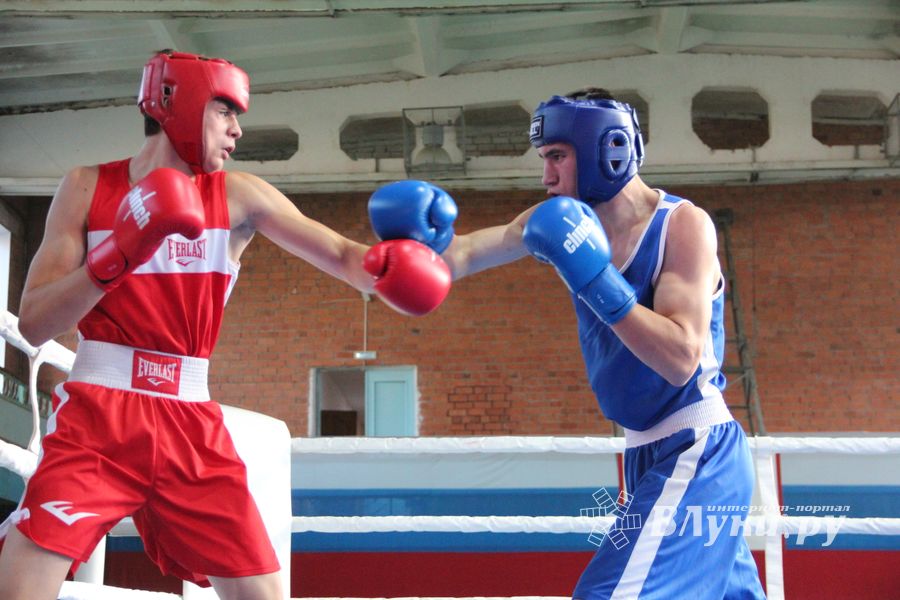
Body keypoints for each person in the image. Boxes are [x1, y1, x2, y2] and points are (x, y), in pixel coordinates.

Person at [0, 50, 452, 600]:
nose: (237, 130)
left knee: (263, 595)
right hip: (98, 415)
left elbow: (346, 258)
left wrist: (408, 253)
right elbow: (35, 322)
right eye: (224, 111)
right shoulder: (87, 187)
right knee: (20, 588)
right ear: (178, 103)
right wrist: (117, 255)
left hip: (190, 423)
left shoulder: (239, 195)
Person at [370, 89, 766, 598]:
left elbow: (681, 358)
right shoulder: (557, 220)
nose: (546, 176)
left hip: (697, 448)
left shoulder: (682, 224)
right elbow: (463, 255)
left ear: (608, 150)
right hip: (644, 455)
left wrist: (596, 278)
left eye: (557, 156)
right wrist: (403, 249)